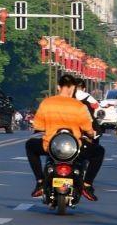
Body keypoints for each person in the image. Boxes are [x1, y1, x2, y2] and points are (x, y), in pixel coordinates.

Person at [27, 74, 104, 202]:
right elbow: (88, 128)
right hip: (75, 148)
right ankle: (87, 185)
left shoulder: (47, 103)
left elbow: (38, 125)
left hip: (50, 146)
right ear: (73, 87)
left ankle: (40, 181)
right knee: (99, 151)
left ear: (58, 87)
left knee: (30, 145)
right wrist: (91, 134)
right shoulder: (79, 106)